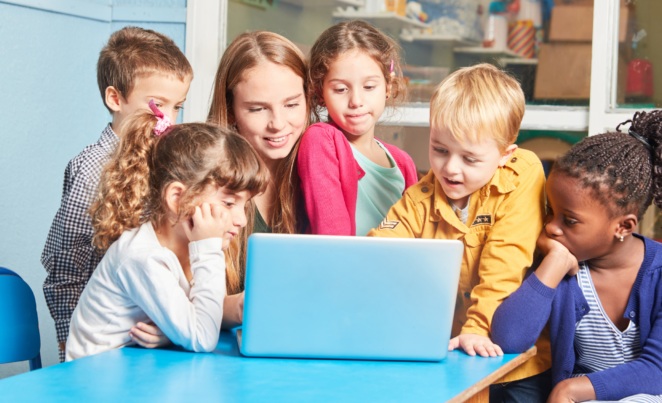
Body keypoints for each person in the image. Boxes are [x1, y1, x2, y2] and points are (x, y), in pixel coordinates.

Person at [492, 105, 662, 403]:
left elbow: (657, 372)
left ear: (623, 227)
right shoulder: (562, 260)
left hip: (659, 396)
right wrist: (552, 265)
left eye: (569, 220)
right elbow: (508, 339)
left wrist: (569, 389)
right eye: (550, 211)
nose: (551, 227)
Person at [367, 64, 552, 402]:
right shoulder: (418, 199)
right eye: (440, 150)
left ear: (505, 155)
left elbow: (505, 262)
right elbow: (378, 255)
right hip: (456, 356)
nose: (450, 168)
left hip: (518, 360)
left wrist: (478, 327)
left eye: (470, 158)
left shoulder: (523, 173)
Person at [64, 105, 268, 361]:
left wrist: (237, 308)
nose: (241, 220)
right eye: (228, 203)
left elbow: (200, 315)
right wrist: (208, 250)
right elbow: (203, 336)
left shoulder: (184, 245)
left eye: (244, 205)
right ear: (177, 198)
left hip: (138, 367)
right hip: (95, 376)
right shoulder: (143, 258)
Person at [41, 26, 192, 361]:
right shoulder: (91, 169)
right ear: (115, 99)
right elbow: (66, 266)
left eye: (177, 107)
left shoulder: (166, 163)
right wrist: (70, 340)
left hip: (148, 341)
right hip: (100, 345)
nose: (168, 119)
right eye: (158, 104)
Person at [206, 31, 310, 328]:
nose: (278, 123)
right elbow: (177, 301)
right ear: (230, 111)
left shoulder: (317, 173)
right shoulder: (203, 182)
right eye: (257, 108)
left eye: (291, 104)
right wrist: (234, 308)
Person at [298, 20, 418, 236]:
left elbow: (416, 234)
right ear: (320, 91)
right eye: (340, 89)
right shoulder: (321, 141)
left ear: (388, 86)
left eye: (369, 86)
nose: (356, 101)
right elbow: (332, 235)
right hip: (344, 259)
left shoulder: (403, 163)